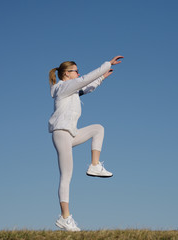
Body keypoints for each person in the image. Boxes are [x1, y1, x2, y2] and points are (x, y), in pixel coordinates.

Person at [48, 56, 124, 231]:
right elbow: (85, 80)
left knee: (98, 128)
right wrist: (107, 64)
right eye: (75, 70)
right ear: (66, 74)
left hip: (70, 133)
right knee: (66, 176)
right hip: (61, 133)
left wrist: (102, 78)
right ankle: (64, 218)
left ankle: (94, 165)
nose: (78, 73)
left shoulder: (70, 90)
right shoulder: (63, 87)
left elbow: (86, 88)